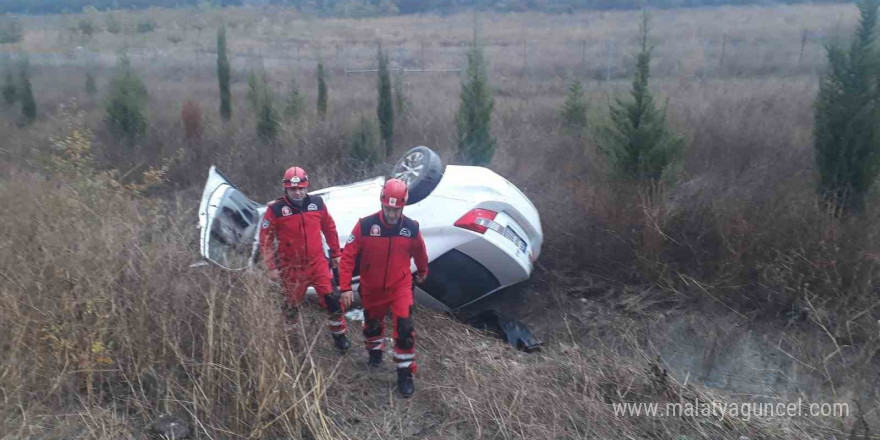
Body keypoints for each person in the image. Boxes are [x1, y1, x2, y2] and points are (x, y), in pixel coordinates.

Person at [338, 178, 429, 398]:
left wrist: (423, 272)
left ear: (403, 207)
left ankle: (405, 373)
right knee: (372, 325)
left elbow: (420, 253)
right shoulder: (365, 226)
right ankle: (375, 353)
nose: (392, 214)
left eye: (396, 210)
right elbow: (348, 256)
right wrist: (345, 287)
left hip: (400, 286)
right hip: (372, 287)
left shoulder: (411, 228)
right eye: (388, 208)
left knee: (405, 328)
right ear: (381, 203)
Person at [259, 166, 350, 350]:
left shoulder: (317, 203)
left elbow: (329, 228)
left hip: (318, 264)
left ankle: (340, 338)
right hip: (291, 268)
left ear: (306, 187)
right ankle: (292, 342)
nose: (298, 192)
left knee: (333, 301)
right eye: (293, 189)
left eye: (301, 188)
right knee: (291, 306)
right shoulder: (276, 209)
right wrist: (271, 267)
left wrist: (336, 253)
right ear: (286, 189)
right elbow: (265, 238)